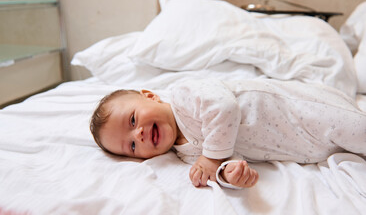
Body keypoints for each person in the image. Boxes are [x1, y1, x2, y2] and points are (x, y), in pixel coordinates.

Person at [90, 78, 366, 189]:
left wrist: (211, 159)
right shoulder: (187, 156)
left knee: (359, 131)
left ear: (150, 95)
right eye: (132, 147)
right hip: (306, 148)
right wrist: (228, 174)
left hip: (303, 110)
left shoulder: (185, 96)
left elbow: (224, 107)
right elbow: (223, 160)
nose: (138, 135)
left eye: (133, 120)